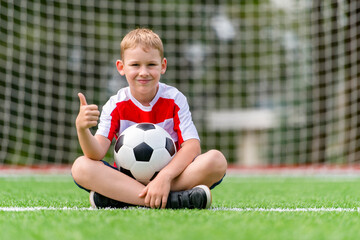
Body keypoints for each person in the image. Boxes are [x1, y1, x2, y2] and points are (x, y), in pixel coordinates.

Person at [71, 28, 227, 209]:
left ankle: (124, 199)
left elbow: (192, 147)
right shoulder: (115, 104)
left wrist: (164, 177)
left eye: (151, 65)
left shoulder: (175, 99)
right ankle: (173, 200)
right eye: (135, 65)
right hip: (126, 179)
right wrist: (82, 130)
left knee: (216, 160)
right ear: (121, 67)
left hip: (172, 177)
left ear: (163, 65)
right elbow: (96, 153)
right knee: (80, 166)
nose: (143, 72)